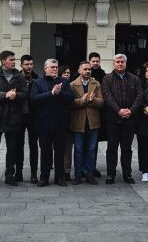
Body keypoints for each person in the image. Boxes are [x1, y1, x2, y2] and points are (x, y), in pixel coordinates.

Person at [0, 51, 29, 186]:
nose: (14, 62)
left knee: (12, 148)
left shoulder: (19, 77)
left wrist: (16, 95)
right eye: (11, 60)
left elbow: (25, 93)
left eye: (15, 60)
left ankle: (9, 175)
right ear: (3, 61)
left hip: (13, 117)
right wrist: (5, 95)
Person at [30, 59, 74, 187]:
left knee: (60, 152)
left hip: (60, 123)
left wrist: (59, 93)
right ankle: (44, 177)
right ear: (45, 69)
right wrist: (51, 93)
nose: (55, 69)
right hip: (44, 123)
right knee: (45, 152)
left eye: (56, 67)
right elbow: (33, 99)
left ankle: (59, 177)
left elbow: (70, 98)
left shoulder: (64, 82)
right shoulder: (38, 82)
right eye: (52, 67)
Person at [101, 54, 143, 184]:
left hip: (129, 120)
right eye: (117, 62)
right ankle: (110, 174)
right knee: (111, 148)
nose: (120, 64)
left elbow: (139, 96)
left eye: (122, 62)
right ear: (113, 63)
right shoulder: (107, 79)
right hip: (112, 120)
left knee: (127, 149)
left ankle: (127, 174)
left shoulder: (135, 79)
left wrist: (131, 110)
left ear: (126, 63)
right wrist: (118, 110)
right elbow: (107, 97)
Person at [70, 60, 103, 185]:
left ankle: (90, 174)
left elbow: (101, 102)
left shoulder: (96, 84)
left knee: (91, 149)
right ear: (79, 70)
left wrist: (92, 100)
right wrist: (82, 101)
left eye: (89, 69)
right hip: (78, 122)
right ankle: (78, 175)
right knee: (78, 149)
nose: (88, 71)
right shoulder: (73, 85)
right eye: (85, 69)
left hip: (92, 122)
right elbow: (70, 103)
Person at [18, 54, 39, 183]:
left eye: (31, 64)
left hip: (33, 116)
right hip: (19, 116)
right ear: (21, 65)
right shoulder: (16, 78)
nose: (29, 66)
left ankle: (34, 173)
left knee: (34, 146)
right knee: (18, 145)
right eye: (26, 64)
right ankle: (18, 172)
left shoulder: (37, 79)